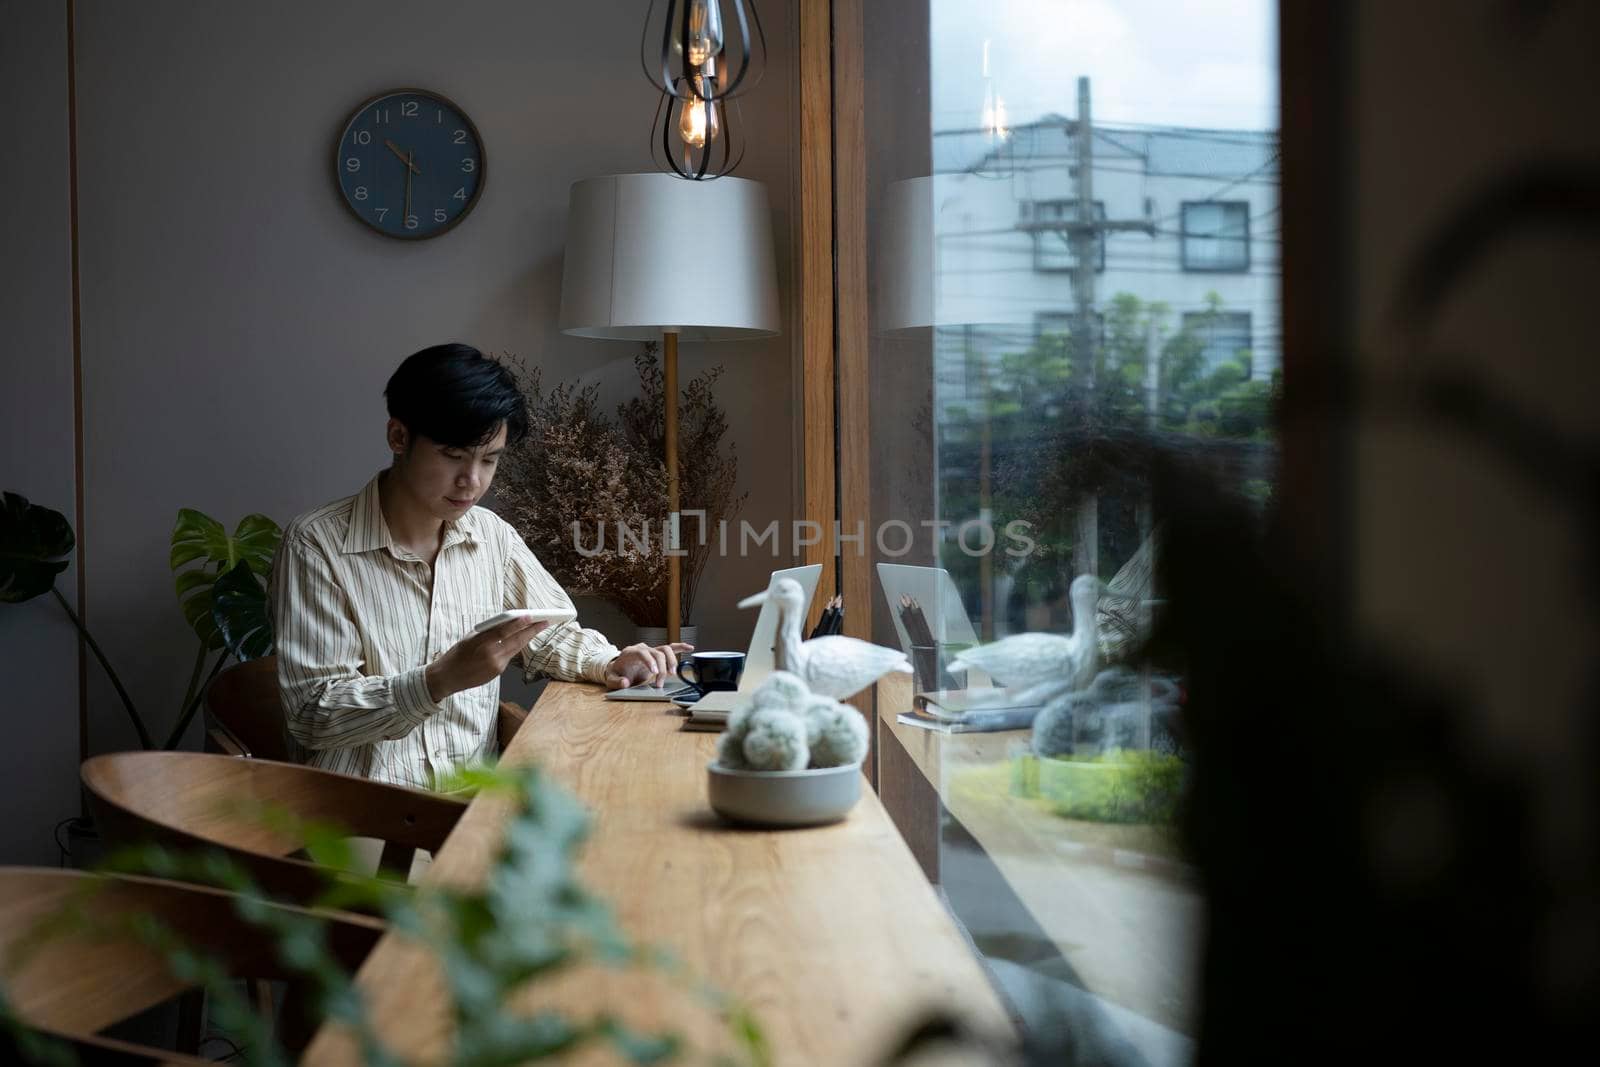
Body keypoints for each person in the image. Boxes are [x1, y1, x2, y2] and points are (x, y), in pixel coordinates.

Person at [270, 343, 691, 790]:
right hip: (359, 814)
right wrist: (438, 681)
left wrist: (612, 662)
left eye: (489, 459)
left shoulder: (490, 535)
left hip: (474, 808)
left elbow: (548, 634)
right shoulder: (316, 545)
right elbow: (314, 714)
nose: (473, 481)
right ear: (398, 437)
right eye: (454, 456)